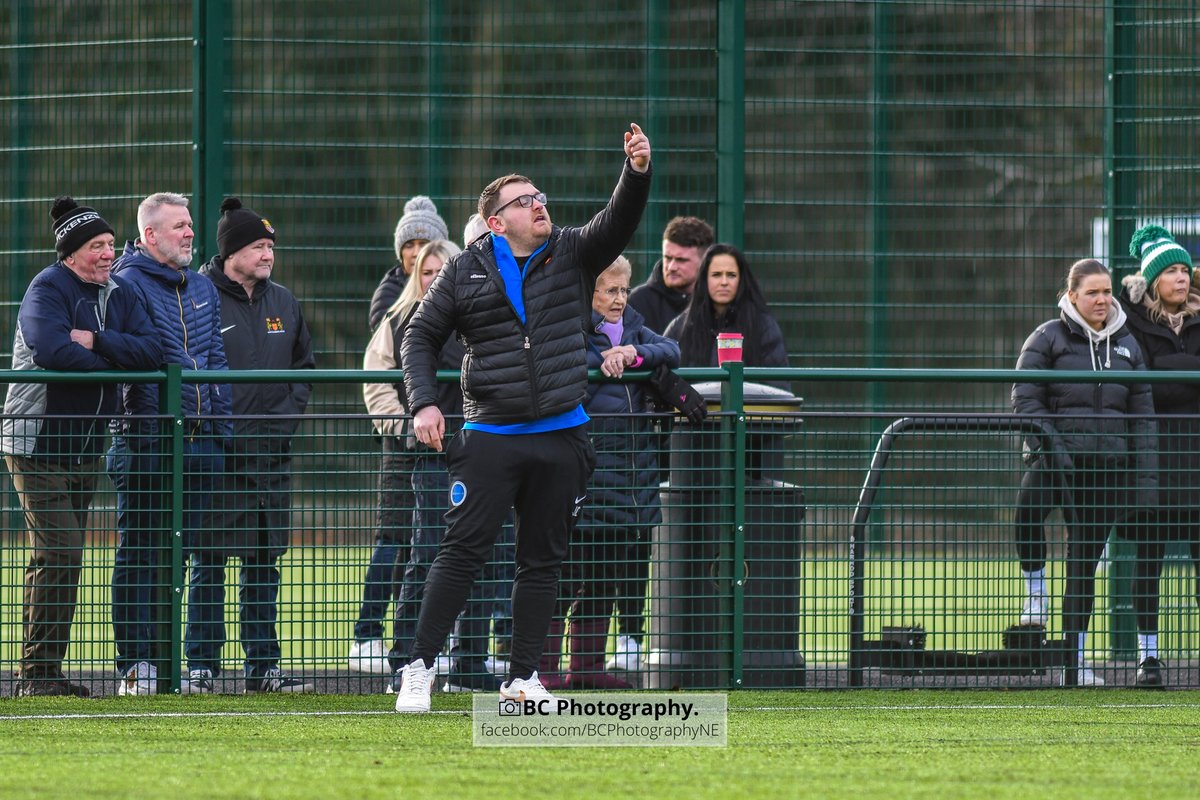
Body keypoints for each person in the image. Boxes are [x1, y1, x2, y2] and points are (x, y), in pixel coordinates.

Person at [391, 122, 652, 712]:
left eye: (539, 197)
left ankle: (523, 677)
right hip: (490, 436)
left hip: (562, 435)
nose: (539, 205)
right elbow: (419, 337)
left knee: (542, 562)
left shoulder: (572, 251)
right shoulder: (464, 270)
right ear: (495, 221)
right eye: (523, 200)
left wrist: (636, 171)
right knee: (460, 553)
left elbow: (619, 219)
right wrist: (424, 402)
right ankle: (419, 667)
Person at [1, 197, 161, 698]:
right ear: (70, 253)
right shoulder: (47, 287)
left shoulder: (120, 291)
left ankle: (41, 671)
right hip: (36, 443)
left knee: (58, 557)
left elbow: (152, 350)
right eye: (97, 246)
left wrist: (96, 342)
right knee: (62, 553)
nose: (109, 253)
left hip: (86, 446)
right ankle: (37, 675)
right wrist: (116, 362)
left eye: (111, 244)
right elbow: (51, 350)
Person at [187, 197, 316, 693]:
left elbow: (303, 370)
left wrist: (282, 423)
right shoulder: (197, 296)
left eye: (271, 247)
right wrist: (221, 429)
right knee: (208, 561)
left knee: (264, 563)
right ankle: (201, 664)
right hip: (218, 455)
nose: (268, 255)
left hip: (271, 455)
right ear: (231, 251)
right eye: (258, 246)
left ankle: (264, 667)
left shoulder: (284, 301)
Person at [1012, 257, 1157, 687]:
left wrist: (1143, 480)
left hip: (1106, 472)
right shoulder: (1046, 337)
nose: (1101, 299)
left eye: (1107, 291)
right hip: (1054, 462)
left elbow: (1143, 418)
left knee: (1082, 567)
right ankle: (1035, 595)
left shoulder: (1128, 345)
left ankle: (1074, 664)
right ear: (1072, 295)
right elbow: (1025, 397)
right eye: (1092, 292)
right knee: (1026, 517)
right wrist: (1052, 447)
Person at [108, 191, 231, 696]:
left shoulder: (202, 286)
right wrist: (143, 431)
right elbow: (130, 364)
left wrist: (220, 431)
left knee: (186, 556)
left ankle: (178, 667)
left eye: (189, 224)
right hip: (147, 443)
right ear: (149, 235)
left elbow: (216, 359)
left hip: (202, 444)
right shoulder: (124, 282)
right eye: (178, 225)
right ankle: (137, 667)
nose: (189, 232)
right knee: (140, 553)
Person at [561, 256, 679, 688]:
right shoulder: (570, 329)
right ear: (589, 292)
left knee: (605, 578)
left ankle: (586, 670)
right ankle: (543, 671)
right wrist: (600, 364)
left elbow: (672, 349)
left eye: (624, 290)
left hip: (628, 483)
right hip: (584, 477)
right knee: (563, 580)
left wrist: (633, 354)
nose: (619, 299)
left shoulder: (634, 328)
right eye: (609, 290)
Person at [1117, 224, 1200, 688]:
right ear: (1152, 280)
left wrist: (1168, 375)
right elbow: (1144, 385)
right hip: (1153, 462)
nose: (1181, 278)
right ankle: (1148, 656)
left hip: (1196, 460)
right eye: (1171, 271)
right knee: (1148, 559)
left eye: (1185, 270)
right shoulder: (1130, 324)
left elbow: (1159, 381)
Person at [664, 243, 789, 371]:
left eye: (731, 275)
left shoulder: (763, 326)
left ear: (741, 280)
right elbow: (662, 377)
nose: (724, 282)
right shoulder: (681, 327)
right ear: (705, 279)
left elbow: (777, 380)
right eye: (716, 275)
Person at [367, 196, 449, 330]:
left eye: (423, 244)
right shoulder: (388, 295)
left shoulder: (456, 285)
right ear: (400, 253)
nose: (416, 253)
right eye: (409, 245)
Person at [628, 216, 714, 335]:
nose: (671, 267)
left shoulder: (717, 300)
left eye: (681, 260)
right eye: (667, 258)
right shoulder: (637, 302)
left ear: (704, 261)